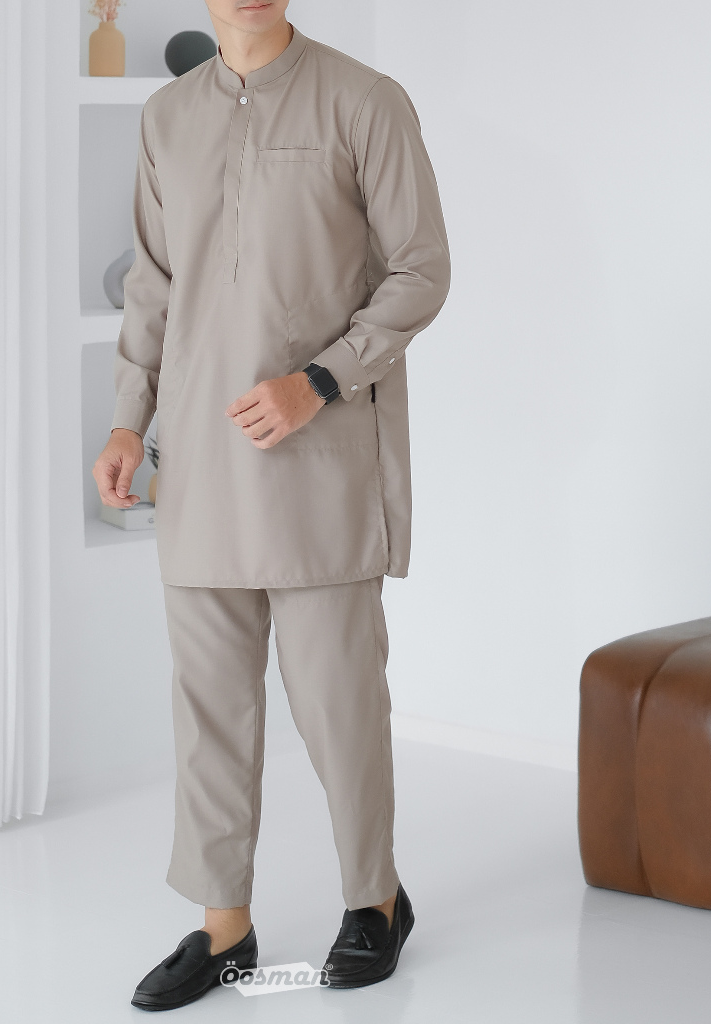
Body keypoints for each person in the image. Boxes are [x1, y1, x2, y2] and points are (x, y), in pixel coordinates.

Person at [92, 0, 450, 1011]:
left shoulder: (365, 102)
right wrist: (125, 423)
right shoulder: (167, 118)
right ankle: (224, 927)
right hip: (199, 464)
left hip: (319, 458)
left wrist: (319, 380)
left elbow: (421, 268)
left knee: (339, 704)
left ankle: (374, 900)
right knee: (208, 708)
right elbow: (154, 285)